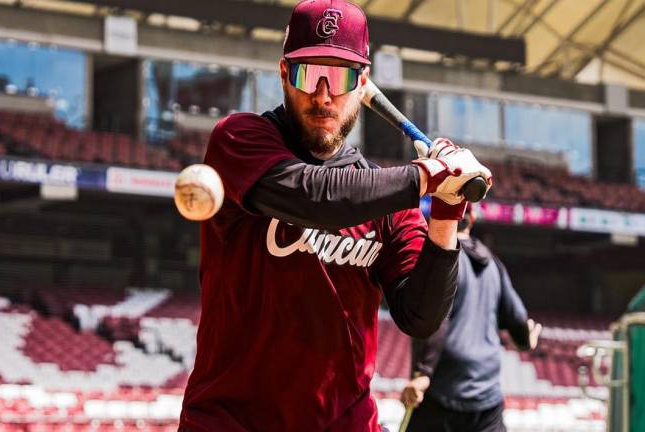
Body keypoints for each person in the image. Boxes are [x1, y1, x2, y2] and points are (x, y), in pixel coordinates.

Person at [179, 1, 493, 431]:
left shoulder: (385, 199)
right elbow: (316, 197)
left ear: (362, 83)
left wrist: (445, 213)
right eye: (309, 73)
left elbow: (421, 318)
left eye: (341, 76)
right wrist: (428, 173)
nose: (323, 94)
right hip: (231, 422)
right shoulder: (239, 139)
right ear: (284, 73)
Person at [401, 208, 542, 432]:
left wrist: (422, 373)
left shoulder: (439, 258)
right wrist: (526, 340)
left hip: (443, 390)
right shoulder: (494, 264)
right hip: (487, 394)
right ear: (472, 219)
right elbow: (517, 320)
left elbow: (434, 318)